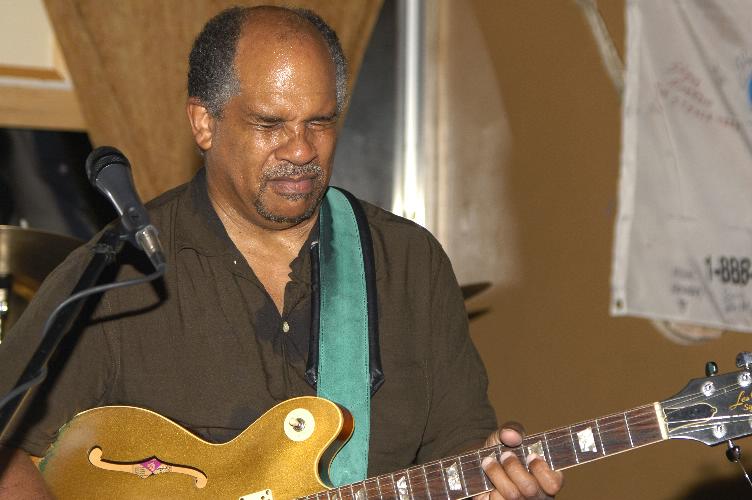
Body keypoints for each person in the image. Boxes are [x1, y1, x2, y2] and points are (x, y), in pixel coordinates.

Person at [0, 6, 563, 499]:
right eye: (269, 124)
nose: (300, 149)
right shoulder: (115, 276)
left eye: (320, 122)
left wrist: (501, 484)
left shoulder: (410, 264)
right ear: (204, 123)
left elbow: (462, 449)